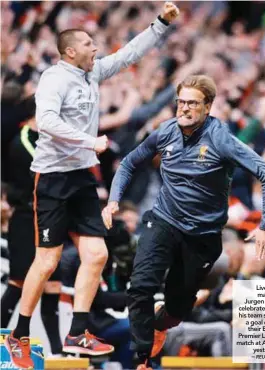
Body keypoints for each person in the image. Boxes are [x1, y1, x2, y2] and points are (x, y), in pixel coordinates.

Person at [5, 3, 180, 369]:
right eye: (88, 43)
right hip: (53, 178)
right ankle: (18, 333)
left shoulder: (92, 73)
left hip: (82, 178)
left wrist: (161, 24)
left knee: (97, 255)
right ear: (70, 51)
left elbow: (129, 53)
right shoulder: (54, 79)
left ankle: (78, 332)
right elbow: (48, 122)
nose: (95, 47)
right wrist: (90, 142)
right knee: (48, 260)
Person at [102, 74, 265, 370]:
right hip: (163, 221)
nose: (184, 109)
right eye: (181, 102)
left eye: (192, 104)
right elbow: (130, 163)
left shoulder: (221, 139)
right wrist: (112, 200)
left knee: (179, 306)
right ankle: (144, 358)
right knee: (141, 286)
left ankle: (161, 324)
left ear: (208, 107)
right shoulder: (165, 131)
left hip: (203, 235)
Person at [1, 116, 63, 357]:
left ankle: (57, 351)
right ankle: (3, 337)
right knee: (18, 282)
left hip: (48, 217)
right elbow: (43, 171)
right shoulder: (24, 139)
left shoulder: (45, 139)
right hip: (27, 217)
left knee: (53, 286)